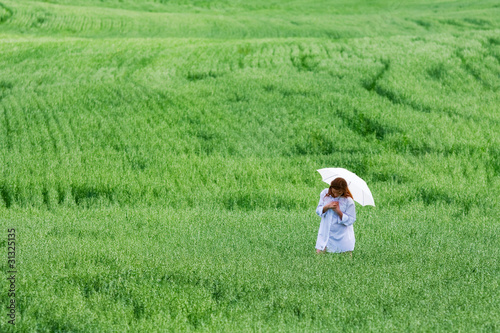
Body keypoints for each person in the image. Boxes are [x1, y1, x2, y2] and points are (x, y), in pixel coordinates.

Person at [315, 177, 356, 255]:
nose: (336, 194)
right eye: (334, 192)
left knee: (345, 254)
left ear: (344, 190)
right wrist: (327, 206)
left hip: (342, 234)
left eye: (339, 193)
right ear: (331, 188)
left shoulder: (348, 201)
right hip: (326, 229)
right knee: (319, 254)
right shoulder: (325, 194)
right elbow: (318, 210)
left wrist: (338, 211)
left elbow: (351, 219)